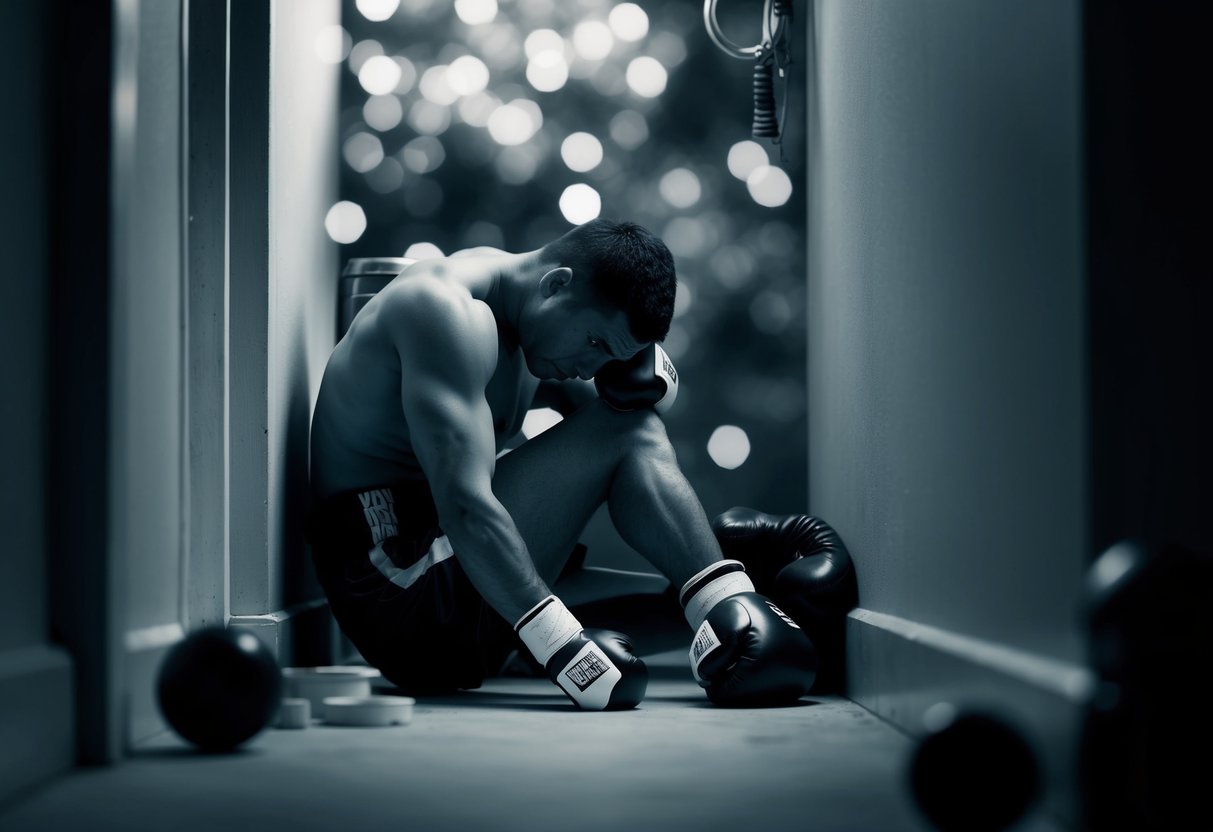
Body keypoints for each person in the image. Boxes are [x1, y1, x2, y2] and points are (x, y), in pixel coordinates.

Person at [306, 218, 815, 710]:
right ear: (555, 285)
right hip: (401, 596)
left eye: (609, 358)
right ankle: (729, 599)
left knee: (692, 608)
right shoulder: (444, 310)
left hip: (456, 591)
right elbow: (465, 506)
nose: (592, 368)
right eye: (595, 343)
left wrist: (643, 386)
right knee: (627, 428)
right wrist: (563, 649)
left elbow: (605, 447)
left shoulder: (530, 331)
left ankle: (746, 610)